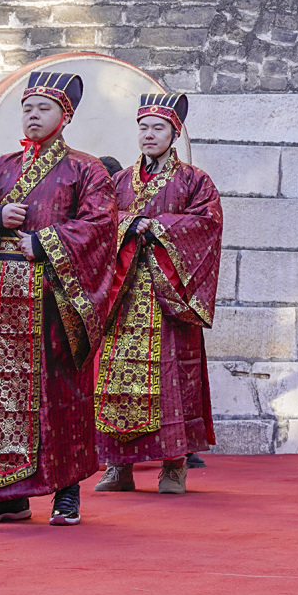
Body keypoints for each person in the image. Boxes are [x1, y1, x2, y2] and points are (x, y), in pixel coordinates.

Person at [0, 70, 117, 526]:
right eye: (27, 108)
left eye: (44, 108)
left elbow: (102, 227)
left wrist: (44, 242)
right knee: (0, 395)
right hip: (0, 296)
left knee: (60, 392)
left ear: (66, 115)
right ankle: (6, 495)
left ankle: (67, 492)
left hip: (53, 298)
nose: (33, 115)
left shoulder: (86, 169)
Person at [96, 94, 224, 495]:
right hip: (123, 294)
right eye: (144, 127)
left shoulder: (195, 181)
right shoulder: (117, 182)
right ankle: (118, 466)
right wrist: (128, 223)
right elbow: (99, 222)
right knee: (115, 378)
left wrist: (159, 228)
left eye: (158, 128)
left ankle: (174, 465)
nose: (149, 135)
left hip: (168, 294)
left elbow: (208, 225)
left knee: (172, 378)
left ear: (175, 132)